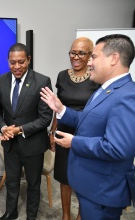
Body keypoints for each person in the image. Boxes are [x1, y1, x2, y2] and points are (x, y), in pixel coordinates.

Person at [40, 34, 135, 219]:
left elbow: (117, 148)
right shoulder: (105, 88)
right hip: (92, 185)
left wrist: (75, 142)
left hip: (103, 190)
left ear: (114, 58)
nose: (90, 62)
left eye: (94, 57)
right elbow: (88, 120)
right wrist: (61, 110)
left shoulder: (127, 96)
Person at [0, 43, 53, 220]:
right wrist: (4, 128)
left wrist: (19, 129)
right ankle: (11, 212)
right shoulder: (0, 81)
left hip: (32, 144)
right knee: (12, 181)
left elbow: (45, 118)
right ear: (7, 61)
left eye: (21, 62)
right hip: (10, 144)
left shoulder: (42, 81)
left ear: (29, 60)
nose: (16, 67)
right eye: (12, 63)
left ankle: (31, 216)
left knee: (33, 184)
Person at [48, 37, 99, 220]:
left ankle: (80, 216)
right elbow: (57, 106)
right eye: (73, 52)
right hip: (63, 131)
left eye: (81, 53)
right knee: (64, 177)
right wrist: (52, 131)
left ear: (90, 55)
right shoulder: (62, 76)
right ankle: (66, 216)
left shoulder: (96, 78)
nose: (75, 57)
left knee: (84, 177)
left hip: (86, 134)